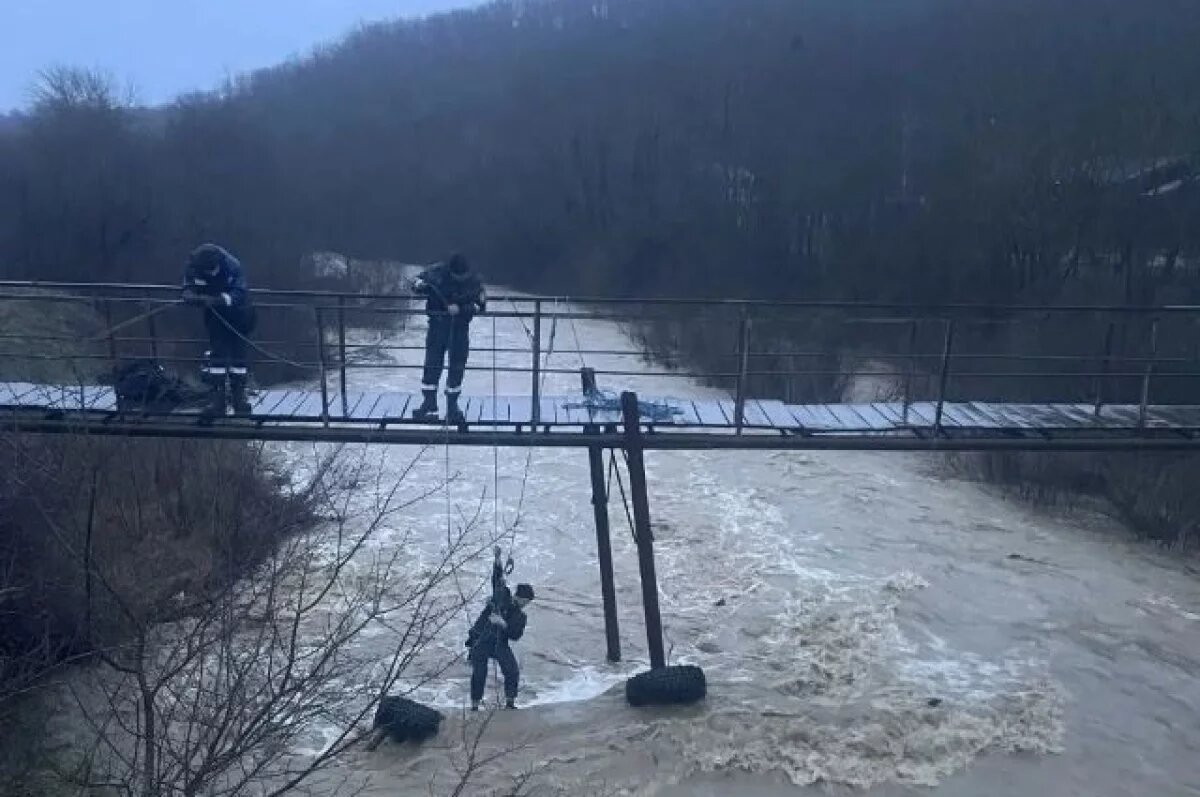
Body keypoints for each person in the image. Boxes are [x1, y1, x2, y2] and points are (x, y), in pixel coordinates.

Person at [410, 253, 487, 424]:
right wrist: (421, 285)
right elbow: (415, 283)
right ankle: (429, 403)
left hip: (460, 327)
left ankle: (452, 406)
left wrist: (461, 309)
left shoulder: (474, 281)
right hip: (438, 325)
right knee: (432, 363)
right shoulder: (435, 273)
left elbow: (480, 305)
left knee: (457, 365)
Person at [181, 243, 257, 416]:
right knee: (218, 357)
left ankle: (239, 399)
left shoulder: (232, 265)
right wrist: (192, 297)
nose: (210, 274)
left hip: (240, 314)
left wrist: (219, 300)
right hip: (215, 317)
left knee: (239, 356)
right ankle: (218, 401)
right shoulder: (193, 267)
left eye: (212, 270)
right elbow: (187, 288)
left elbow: (240, 292)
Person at [465, 548, 534, 711]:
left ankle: (510, 702)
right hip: (481, 638)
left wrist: (503, 623)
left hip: (499, 643)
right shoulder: (502, 595)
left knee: (512, 670)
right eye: (525, 600)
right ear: (518, 596)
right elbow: (497, 579)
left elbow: (515, 635)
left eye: (527, 602)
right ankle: (475, 705)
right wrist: (497, 559)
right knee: (479, 674)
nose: (525, 604)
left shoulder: (521, 616)